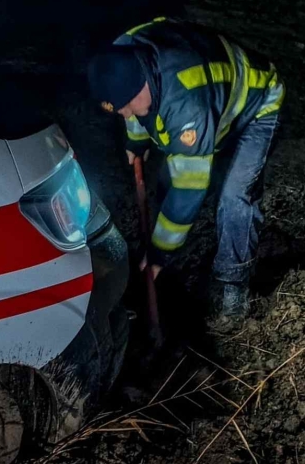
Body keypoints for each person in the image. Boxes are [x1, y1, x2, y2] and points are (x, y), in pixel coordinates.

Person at [87, 17, 283, 327]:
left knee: (234, 195)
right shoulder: (125, 54)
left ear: (141, 86)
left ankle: (232, 288)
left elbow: (189, 188)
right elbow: (132, 108)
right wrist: (136, 141)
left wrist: (159, 255)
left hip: (258, 103)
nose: (125, 114)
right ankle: (166, 264)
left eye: (126, 106)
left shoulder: (186, 105)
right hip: (212, 94)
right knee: (167, 181)